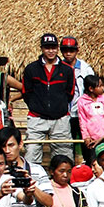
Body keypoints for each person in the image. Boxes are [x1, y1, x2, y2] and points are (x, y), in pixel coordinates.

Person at [21, 33, 74, 165]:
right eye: (47, 48)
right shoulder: (31, 69)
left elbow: (70, 92)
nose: (50, 51)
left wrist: (58, 106)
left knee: (63, 155)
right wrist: (37, 106)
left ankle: (62, 185)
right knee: (32, 153)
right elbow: (26, 92)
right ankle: (32, 183)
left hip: (60, 119)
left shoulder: (67, 70)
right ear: (42, 49)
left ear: (57, 49)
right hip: (37, 118)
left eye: (53, 47)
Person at [60, 36, 95, 159]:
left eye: (72, 50)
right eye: (65, 50)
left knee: (87, 142)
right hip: (65, 113)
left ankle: (90, 168)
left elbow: (93, 89)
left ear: (77, 50)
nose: (68, 53)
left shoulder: (85, 69)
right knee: (67, 144)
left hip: (83, 113)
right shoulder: (58, 67)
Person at [77, 75, 104, 165]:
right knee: (95, 162)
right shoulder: (82, 102)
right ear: (91, 89)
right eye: (99, 86)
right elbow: (83, 121)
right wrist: (86, 137)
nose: (102, 88)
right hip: (93, 140)